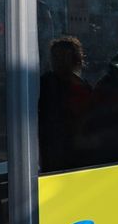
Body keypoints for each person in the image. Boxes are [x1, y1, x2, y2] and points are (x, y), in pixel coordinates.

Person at [38, 36, 92, 172]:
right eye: (56, 57)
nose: (59, 61)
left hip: (70, 151)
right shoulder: (45, 84)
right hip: (58, 150)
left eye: (63, 57)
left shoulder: (44, 83)